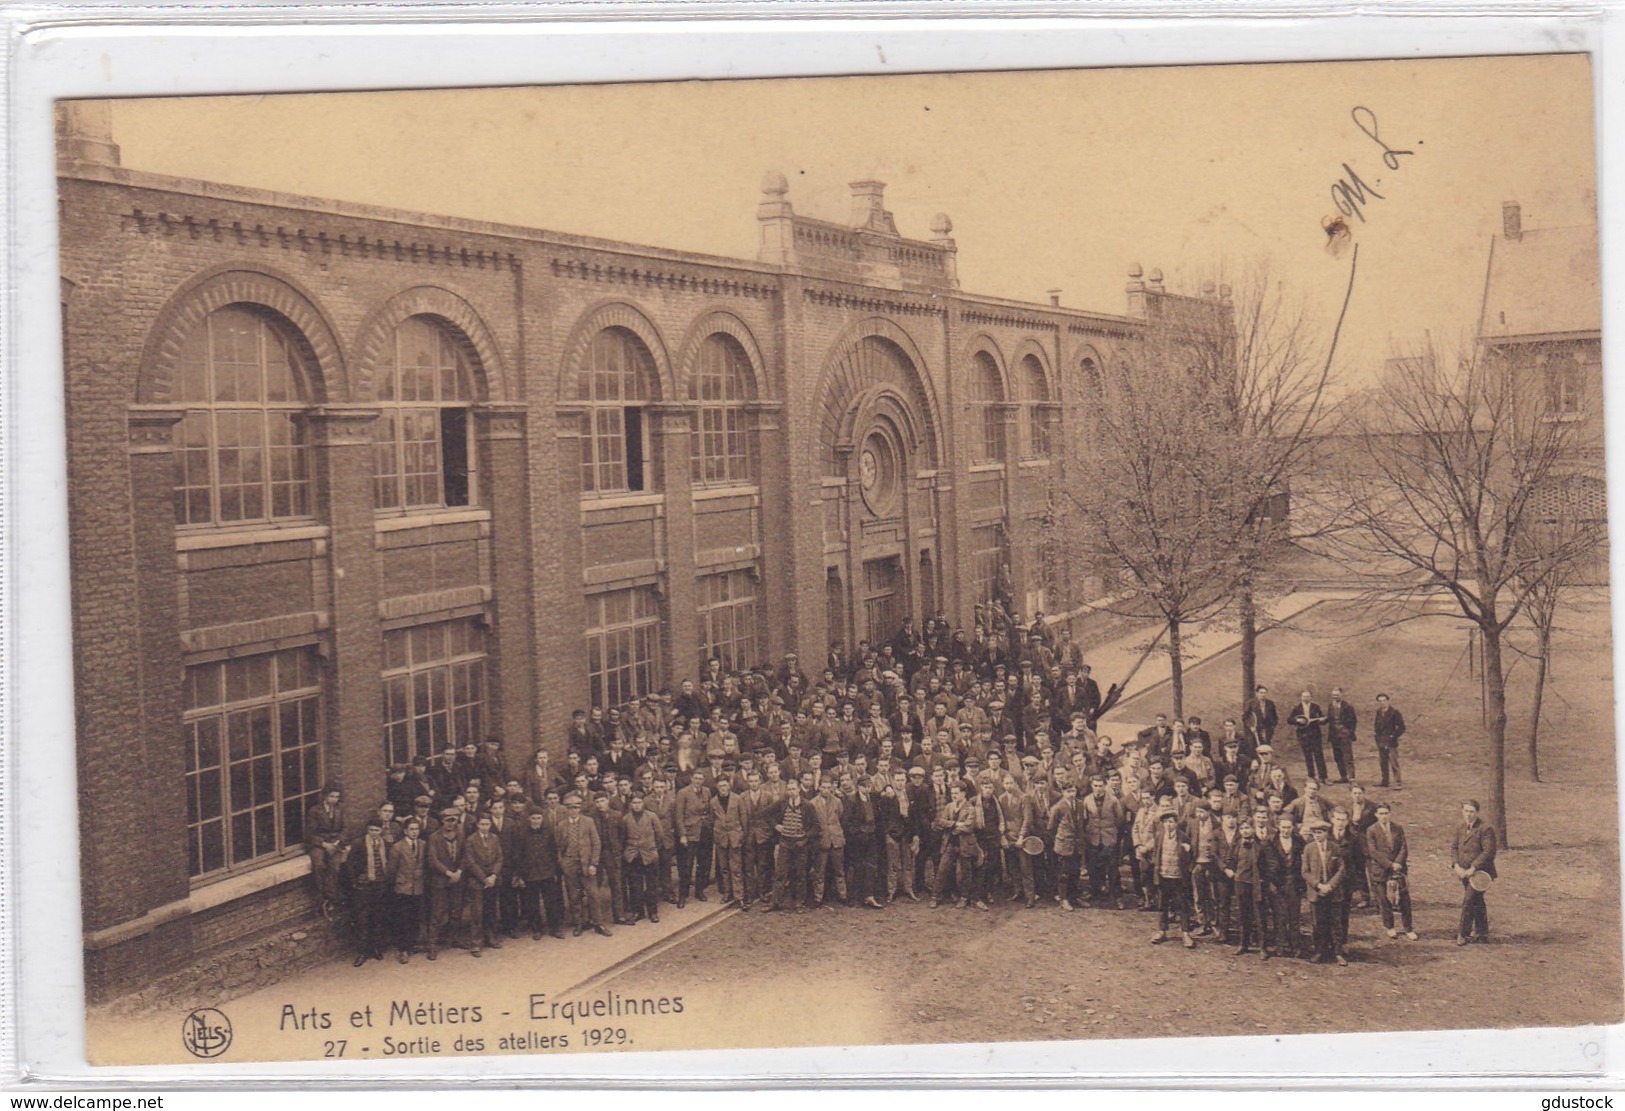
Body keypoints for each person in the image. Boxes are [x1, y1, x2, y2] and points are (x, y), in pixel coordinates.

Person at [559, 793, 611, 938]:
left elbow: (596, 843)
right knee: (574, 895)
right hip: (570, 864)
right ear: (566, 810)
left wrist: (594, 863)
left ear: (580, 809)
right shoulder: (562, 825)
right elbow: (558, 847)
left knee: (593, 894)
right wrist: (563, 863)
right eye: (570, 808)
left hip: (586, 864)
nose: (573, 811)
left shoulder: (588, 822)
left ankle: (598, 923)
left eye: (576, 808)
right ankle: (579, 923)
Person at [1365, 801, 1416, 940]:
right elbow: (1373, 851)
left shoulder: (1397, 828)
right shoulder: (1371, 830)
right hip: (1381, 870)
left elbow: (1404, 848)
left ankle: (1408, 928)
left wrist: (1398, 863)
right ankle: (1390, 926)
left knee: (1404, 899)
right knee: (1384, 900)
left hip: (1399, 869)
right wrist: (1389, 865)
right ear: (1376, 815)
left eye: (1386, 813)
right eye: (1381, 814)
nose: (1384, 816)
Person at [346, 816, 392, 966]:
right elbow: (350, 864)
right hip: (363, 885)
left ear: (381, 831)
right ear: (367, 830)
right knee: (363, 918)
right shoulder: (359, 843)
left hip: (380, 884)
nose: (374, 833)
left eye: (376, 830)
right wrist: (354, 881)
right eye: (371, 830)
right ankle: (362, 951)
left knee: (378, 916)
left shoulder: (385, 843)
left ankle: (376, 948)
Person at [1301, 818, 1347, 965]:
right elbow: (1305, 872)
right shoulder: (1309, 849)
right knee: (1318, 923)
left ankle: (1338, 953)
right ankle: (1319, 951)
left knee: (1336, 923)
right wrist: (1318, 885)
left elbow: (1341, 869)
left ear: (1326, 833)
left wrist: (1330, 886)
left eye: (1320, 833)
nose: (1317, 836)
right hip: (1316, 893)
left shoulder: (1335, 848)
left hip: (1333, 893)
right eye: (1315, 833)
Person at [1451, 799, 1498, 944]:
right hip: (1464, 872)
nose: (1469, 814)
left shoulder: (1485, 829)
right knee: (1477, 900)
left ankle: (1462, 934)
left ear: (1477, 812)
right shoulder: (1460, 827)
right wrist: (1456, 865)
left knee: (1469, 900)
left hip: (1481, 874)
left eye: (1472, 811)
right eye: (1466, 811)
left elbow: (1488, 852)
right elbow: (1454, 848)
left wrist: (1473, 868)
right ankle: (1482, 932)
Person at [516, 808, 565, 940]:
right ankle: (536, 929)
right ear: (529, 819)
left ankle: (554, 928)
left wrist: (555, 871)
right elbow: (519, 856)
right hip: (530, 874)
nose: (536, 821)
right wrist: (520, 875)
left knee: (551, 902)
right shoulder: (522, 834)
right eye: (533, 818)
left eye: (538, 818)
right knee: (532, 903)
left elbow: (554, 852)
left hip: (547, 872)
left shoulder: (548, 832)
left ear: (542, 819)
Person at [1150, 809, 1196, 948]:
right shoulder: (1159, 836)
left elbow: (1190, 857)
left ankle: (1186, 933)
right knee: (1162, 904)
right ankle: (1162, 930)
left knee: (1182, 904)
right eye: (1165, 822)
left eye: (1171, 822)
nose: (1169, 825)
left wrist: (1187, 852)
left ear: (1176, 823)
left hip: (1178, 876)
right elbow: (1156, 854)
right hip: (1163, 875)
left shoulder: (1183, 837)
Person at [461, 812, 504, 957]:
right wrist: (483, 878)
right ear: (478, 825)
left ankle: (490, 937)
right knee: (477, 913)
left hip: (492, 880)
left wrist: (493, 876)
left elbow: (499, 858)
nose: (485, 827)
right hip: (477, 882)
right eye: (482, 824)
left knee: (491, 910)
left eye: (487, 824)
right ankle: (476, 943)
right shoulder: (471, 840)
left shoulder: (495, 838)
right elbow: (470, 862)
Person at [305, 785, 347, 914]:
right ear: (325, 796)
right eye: (332, 796)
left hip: (336, 843)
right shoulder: (315, 811)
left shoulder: (341, 808)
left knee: (335, 867)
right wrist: (324, 844)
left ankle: (331, 898)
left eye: (337, 797)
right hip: (320, 843)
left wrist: (337, 842)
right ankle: (321, 897)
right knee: (318, 865)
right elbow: (310, 834)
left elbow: (346, 828)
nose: (335, 799)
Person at [622, 793, 664, 924]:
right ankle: (638, 911)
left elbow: (660, 835)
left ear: (643, 803)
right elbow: (623, 838)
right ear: (630, 805)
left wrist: (653, 848)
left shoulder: (651, 816)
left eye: (639, 802)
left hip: (649, 855)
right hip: (633, 856)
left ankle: (653, 912)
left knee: (652, 885)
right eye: (634, 803)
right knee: (635, 885)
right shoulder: (626, 819)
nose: (636, 805)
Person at [1287, 690, 1328, 784]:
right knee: (1308, 756)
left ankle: (1323, 777)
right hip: (1303, 735)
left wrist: (1322, 720)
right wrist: (1297, 720)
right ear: (1301, 697)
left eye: (1308, 696)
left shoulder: (1315, 707)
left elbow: (1322, 719)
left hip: (1315, 734)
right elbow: (1289, 720)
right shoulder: (1297, 708)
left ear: (1311, 698)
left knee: (1319, 755)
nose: (1306, 698)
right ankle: (1311, 776)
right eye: (1304, 696)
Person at [1373, 693, 1407, 789]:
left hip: (1391, 742)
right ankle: (1385, 781)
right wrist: (1377, 737)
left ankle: (1398, 783)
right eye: (1380, 701)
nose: (1382, 703)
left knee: (1393, 762)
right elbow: (1376, 726)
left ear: (1388, 701)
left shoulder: (1394, 712)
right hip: (1381, 741)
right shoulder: (1378, 712)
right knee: (1383, 762)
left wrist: (1393, 736)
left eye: (1384, 700)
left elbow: (1402, 727)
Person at [1326, 688, 1358, 783]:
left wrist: (1349, 732)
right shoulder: (1330, 706)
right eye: (1333, 695)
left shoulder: (1348, 706)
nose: (1335, 697)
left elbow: (1353, 721)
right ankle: (1343, 776)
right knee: (1338, 757)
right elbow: (1329, 719)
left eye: (1337, 695)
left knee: (1348, 757)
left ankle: (1352, 778)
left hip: (1345, 735)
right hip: (1334, 735)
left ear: (1341, 695)